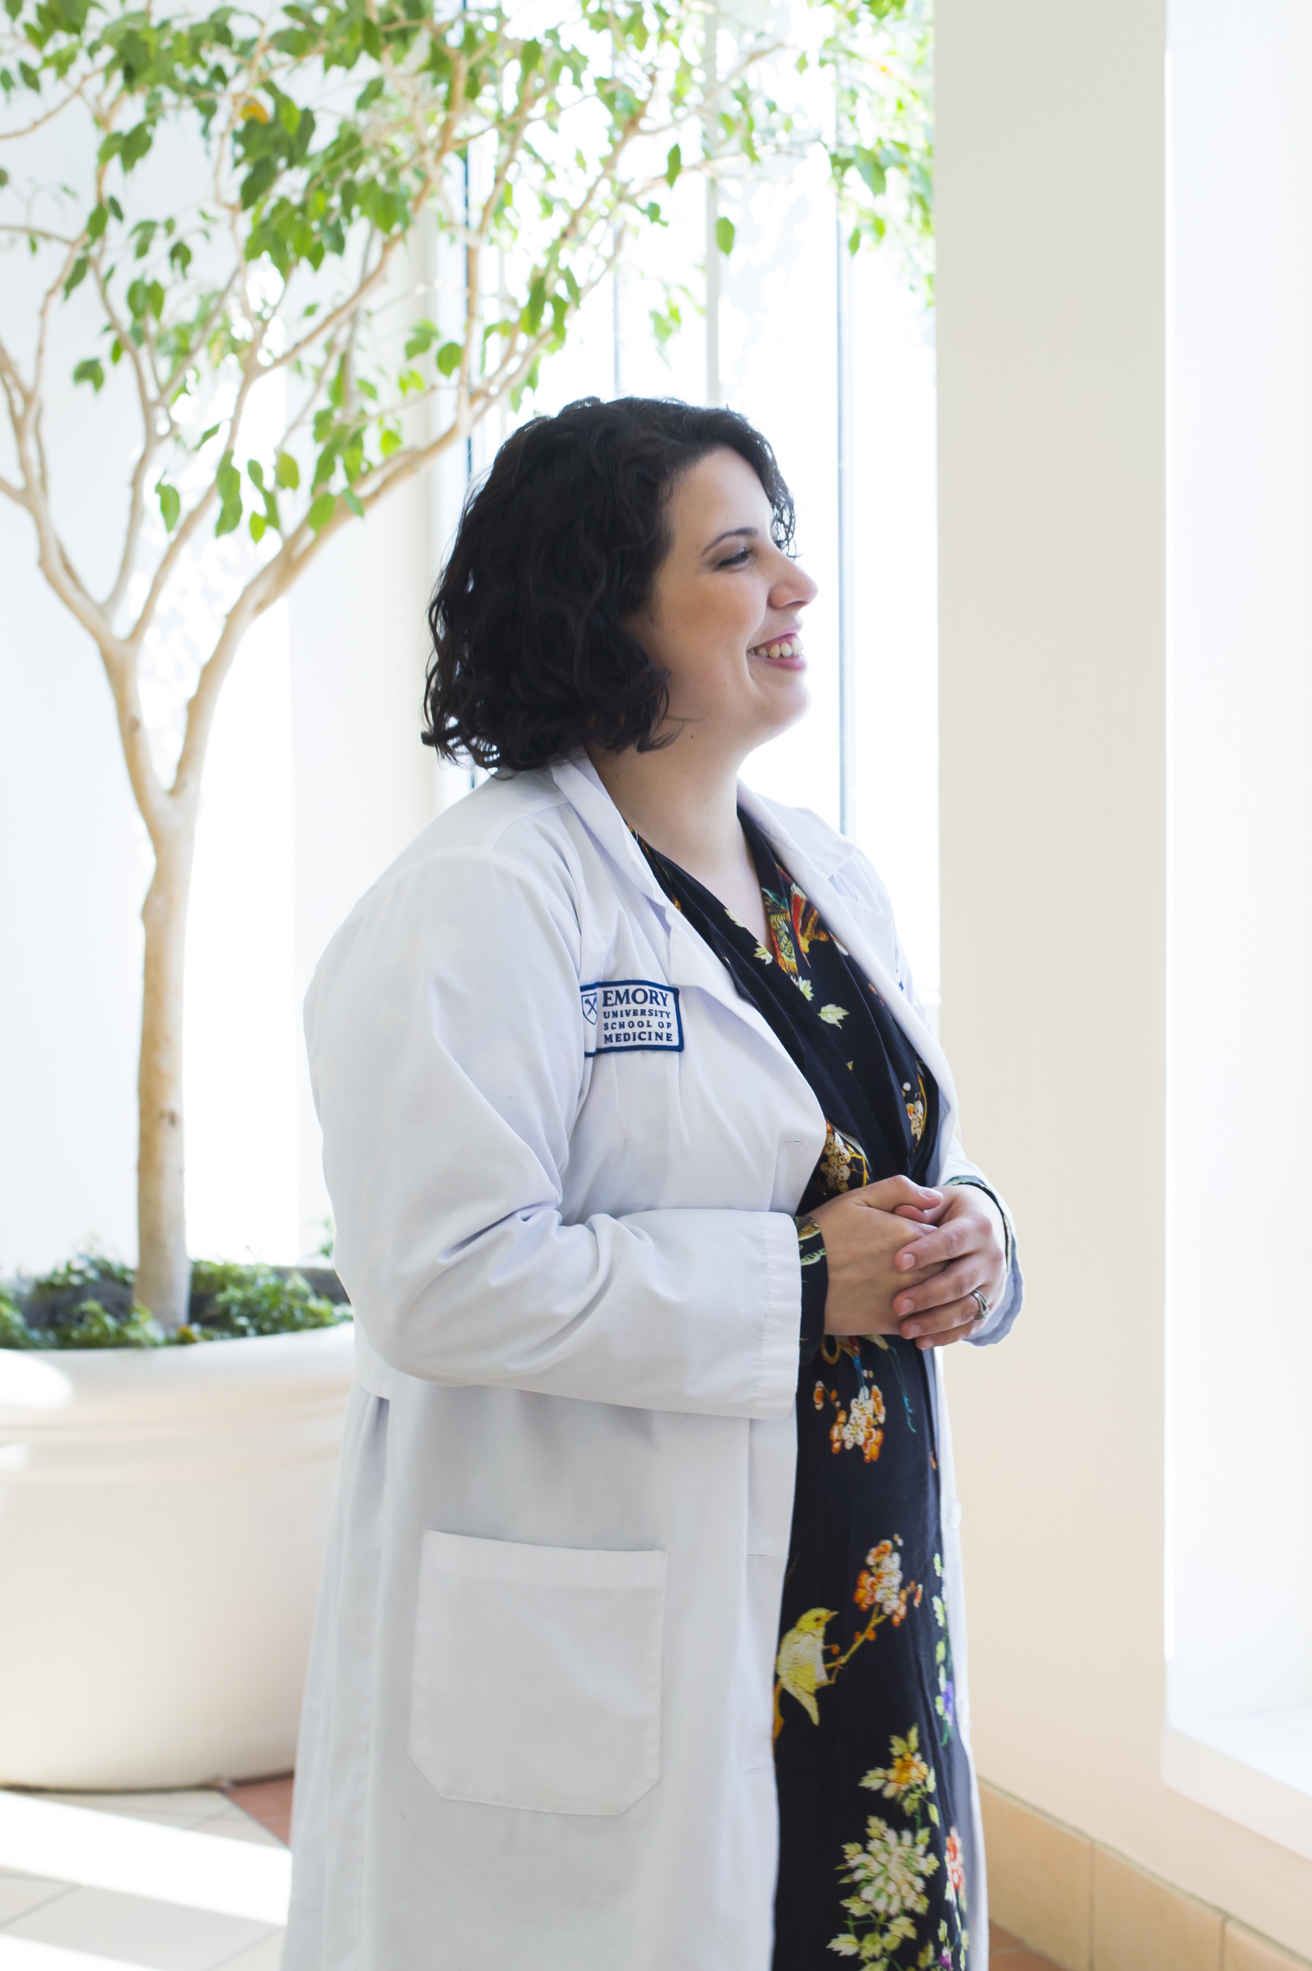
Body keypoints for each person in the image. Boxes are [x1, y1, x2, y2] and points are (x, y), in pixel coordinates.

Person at [289, 397, 1019, 1971]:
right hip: (638, 1628)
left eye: (789, 547)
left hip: (863, 1599)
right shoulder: (481, 902)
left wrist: (977, 1239)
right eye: (738, 556)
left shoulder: (822, 870)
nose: (796, 588)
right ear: (607, 611)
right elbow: (441, 1276)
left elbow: (875, 1156)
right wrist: (811, 1285)